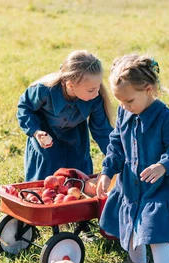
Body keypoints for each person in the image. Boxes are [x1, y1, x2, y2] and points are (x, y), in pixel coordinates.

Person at [96, 54, 169, 263]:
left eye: (129, 100)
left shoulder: (165, 119)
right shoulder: (126, 115)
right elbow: (116, 145)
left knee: (154, 235)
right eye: (119, 102)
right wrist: (107, 172)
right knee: (131, 231)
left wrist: (163, 166)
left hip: (158, 189)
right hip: (131, 188)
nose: (124, 107)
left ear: (148, 90)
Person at [17, 50, 114, 182]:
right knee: (46, 186)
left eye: (98, 86)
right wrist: (36, 132)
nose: (97, 93)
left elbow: (102, 130)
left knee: (77, 184)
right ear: (70, 85)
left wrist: (115, 158)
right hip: (46, 144)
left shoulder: (95, 99)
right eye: (91, 90)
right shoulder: (44, 90)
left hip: (76, 144)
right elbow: (25, 108)